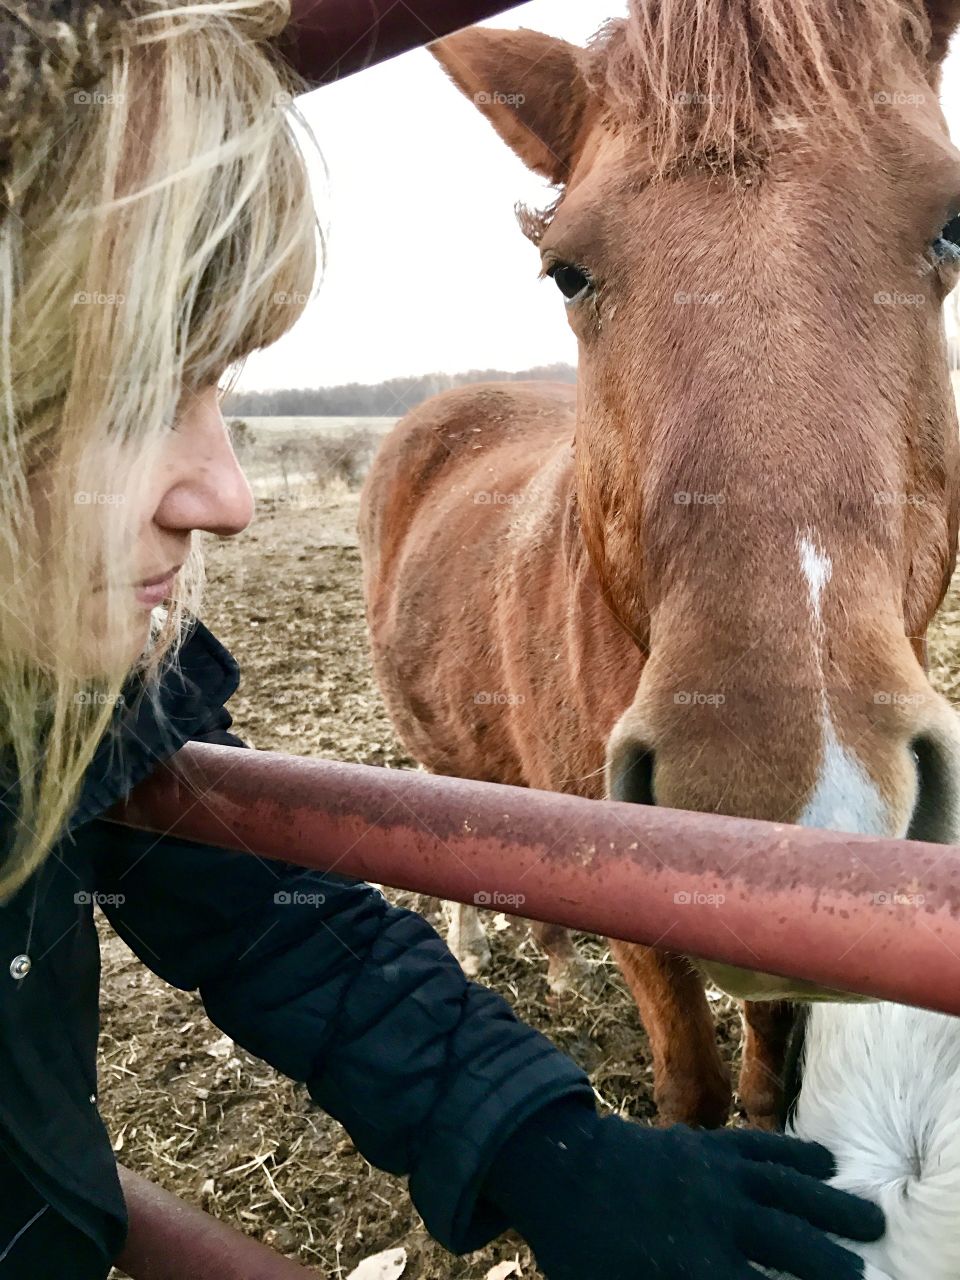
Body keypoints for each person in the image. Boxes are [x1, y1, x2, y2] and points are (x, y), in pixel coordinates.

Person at [0, 3, 884, 1277]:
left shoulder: (81, 693)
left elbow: (267, 916)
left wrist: (544, 1144)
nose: (233, 499)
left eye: (220, 385)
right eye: (133, 389)